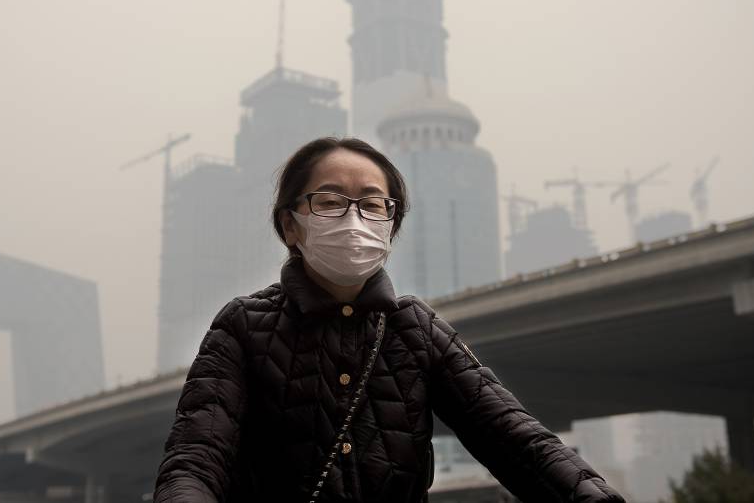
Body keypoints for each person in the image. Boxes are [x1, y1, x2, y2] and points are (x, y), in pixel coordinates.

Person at [154, 137, 625, 502]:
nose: (353, 218)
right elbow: (196, 459)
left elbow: (516, 440)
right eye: (330, 201)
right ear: (290, 224)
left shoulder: (416, 329)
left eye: (372, 203)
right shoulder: (243, 326)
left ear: (389, 226)